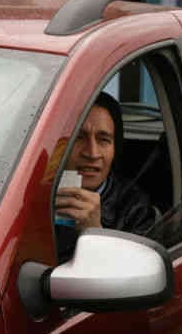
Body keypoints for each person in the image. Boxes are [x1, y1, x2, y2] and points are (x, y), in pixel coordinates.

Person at [55, 92, 157, 263]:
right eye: (79, 138)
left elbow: (129, 281)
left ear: (115, 149)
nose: (92, 153)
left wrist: (95, 233)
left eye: (103, 140)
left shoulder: (135, 209)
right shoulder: (28, 192)